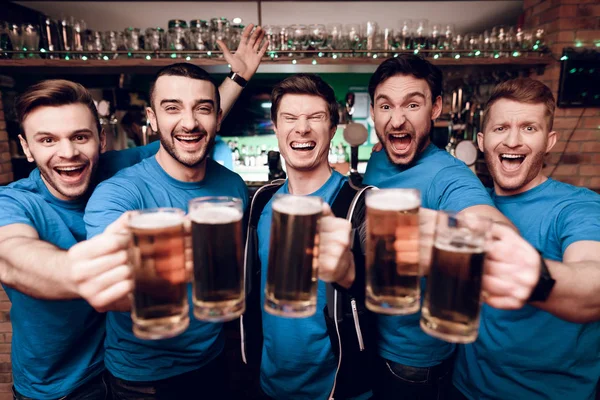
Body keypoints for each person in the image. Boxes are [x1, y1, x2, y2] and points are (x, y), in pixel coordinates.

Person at [0, 24, 266, 399]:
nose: (68, 152)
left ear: (101, 140)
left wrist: (236, 79)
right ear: (26, 148)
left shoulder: (116, 163)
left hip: (132, 363)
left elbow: (188, 127)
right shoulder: (13, 202)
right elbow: (12, 257)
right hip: (56, 384)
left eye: (80, 136)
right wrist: (80, 271)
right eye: (47, 140)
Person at [84, 61, 255, 399]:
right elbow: (108, 290)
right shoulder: (118, 194)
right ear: (152, 117)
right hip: (143, 379)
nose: (189, 122)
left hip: (216, 361)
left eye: (203, 108)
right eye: (172, 108)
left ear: (218, 117)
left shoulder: (233, 185)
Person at [362, 55, 514, 400]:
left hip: (411, 360)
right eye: (386, 106)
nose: (397, 119)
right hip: (368, 340)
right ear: (373, 111)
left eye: (412, 104)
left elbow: (496, 234)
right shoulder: (378, 156)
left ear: (436, 108)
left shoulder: (451, 175)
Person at [451, 78, 600, 400]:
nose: (513, 141)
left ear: (550, 141)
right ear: (481, 140)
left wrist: (533, 276)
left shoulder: (577, 206)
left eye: (529, 128)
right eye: (501, 128)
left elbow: (594, 283)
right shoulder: (472, 204)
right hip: (466, 388)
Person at [243, 74, 372, 400]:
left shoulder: (362, 204)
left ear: (332, 130)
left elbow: (390, 290)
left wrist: (349, 273)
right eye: (290, 118)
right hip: (268, 383)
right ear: (276, 129)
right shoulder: (261, 202)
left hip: (337, 390)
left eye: (315, 118)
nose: (302, 128)